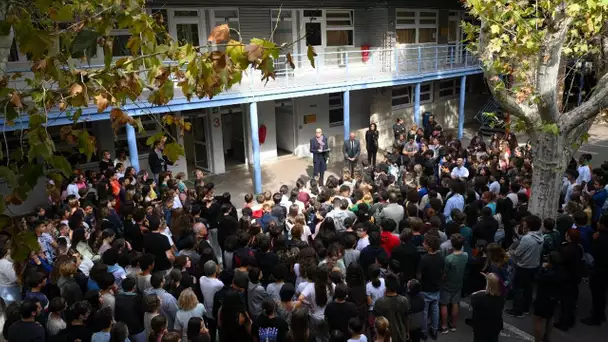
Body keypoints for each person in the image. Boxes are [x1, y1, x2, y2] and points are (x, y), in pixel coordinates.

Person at [506, 215, 544, 318]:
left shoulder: (527, 238)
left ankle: (517, 310)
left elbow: (518, 253)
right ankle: (526, 308)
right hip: (534, 265)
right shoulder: (540, 236)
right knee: (528, 288)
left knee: (518, 288)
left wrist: (511, 251)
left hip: (524, 266)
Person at [581, 212, 608, 325]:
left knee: (597, 294)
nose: (597, 223)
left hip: (599, 270)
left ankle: (596, 317)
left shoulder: (600, 238)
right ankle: (600, 314)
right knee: (602, 294)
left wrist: (594, 240)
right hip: (604, 270)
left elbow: (593, 253)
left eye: (600, 222)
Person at [417, 234, 444, 340]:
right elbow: (443, 273)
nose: (423, 244)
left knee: (424, 312)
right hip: (436, 289)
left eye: (425, 243)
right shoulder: (441, 258)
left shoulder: (424, 259)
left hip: (425, 289)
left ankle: (423, 332)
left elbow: (419, 275)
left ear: (429, 246)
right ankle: (434, 330)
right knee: (435, 310)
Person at [439, 234, 467, 334]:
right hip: (458, 283)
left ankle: (444, 326)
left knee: (444, 304)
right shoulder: (465, 255)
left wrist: (441, 280)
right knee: (455, 303)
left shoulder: (449, 258)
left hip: (447, 284)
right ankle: (453, 324)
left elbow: (444, 274)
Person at [533, 252, 561, 342]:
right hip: (554, 298)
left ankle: (537, 340)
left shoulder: (547, 274)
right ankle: (546, 337)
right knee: (550, 318)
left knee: (538, 320)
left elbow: (537, 278)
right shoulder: (560, 271)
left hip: (543, 298)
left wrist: (542, 268)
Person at [373, 273, 409, 342]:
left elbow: (377, 321)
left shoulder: (379, 302)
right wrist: (407, 331)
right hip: (401, 335)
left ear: (386, 285)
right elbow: (407, 319)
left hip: (386, 337)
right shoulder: (404, 300)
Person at [470, 273, 504, 342]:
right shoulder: (501, 298)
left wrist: (480, 291)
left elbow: (472, 299)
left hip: (481, 327)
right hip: (495, 326)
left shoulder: (479, 297)